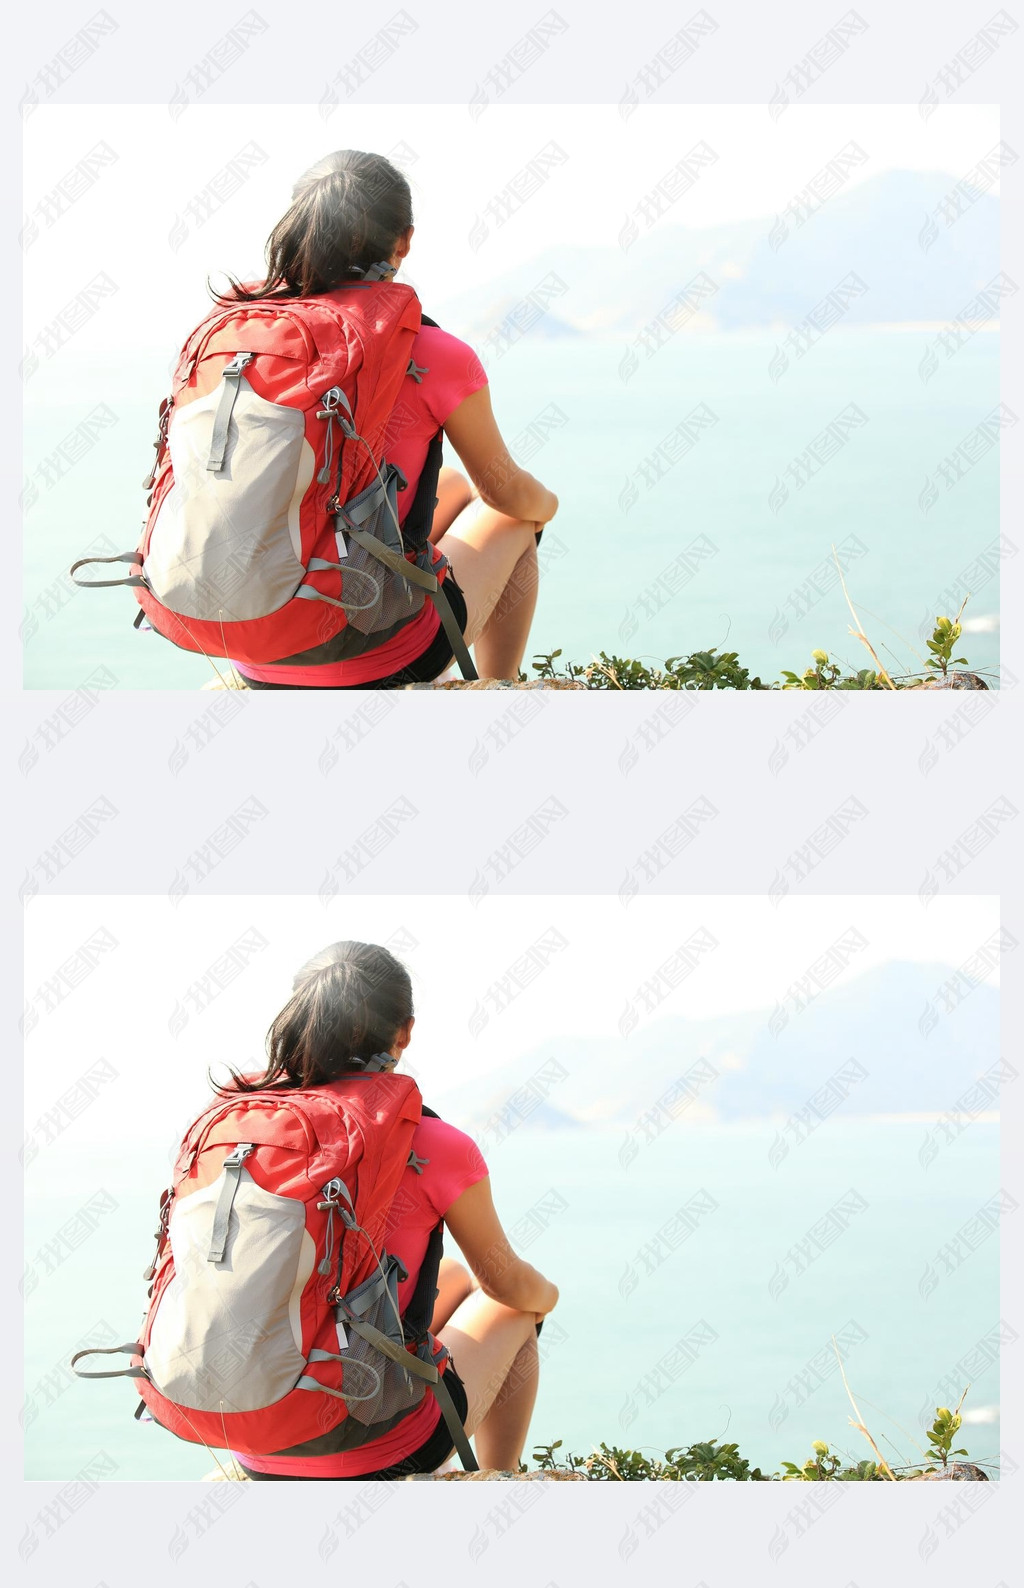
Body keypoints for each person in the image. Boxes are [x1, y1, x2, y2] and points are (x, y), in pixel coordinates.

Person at [219, 151, 560, 687]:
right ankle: (502, 687)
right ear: (403, 242)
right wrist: (548, 506)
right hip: (367, 655)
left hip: (251, 642)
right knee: (515, 516)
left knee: (449, 484)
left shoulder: (248, 336)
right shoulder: (432, 351)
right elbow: (509, 494)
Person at [226, 940, 560, 1478]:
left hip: (253, 1434)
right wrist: (549, 1298)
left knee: (454, 1275)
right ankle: (502, 1478)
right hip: (370, 1447)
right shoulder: (433, 1142)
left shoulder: (252, 1127)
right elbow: (508, 1285)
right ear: (404, 1032)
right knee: (514, 1307)